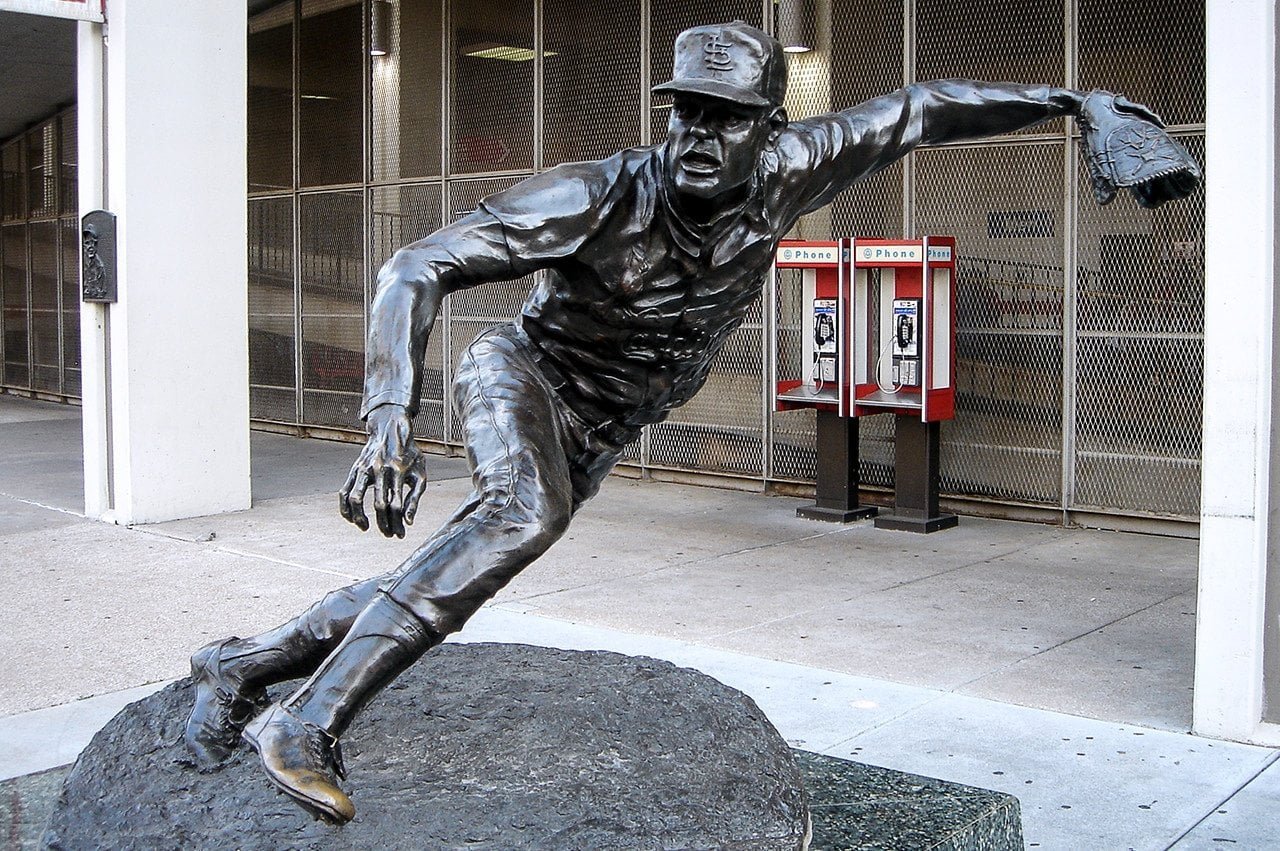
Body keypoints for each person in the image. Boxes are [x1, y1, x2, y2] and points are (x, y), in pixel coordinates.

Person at [185, 20, 1193, 824]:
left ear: (768, 122)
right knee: (518, 518)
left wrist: (1071, 100)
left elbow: (918, 109)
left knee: (457, 562)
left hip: (608, 418)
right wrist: (387, 417)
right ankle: (304, 721)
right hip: (528, 374)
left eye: (724, 118)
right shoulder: (596, 192)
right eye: (685, 116)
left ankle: (241, 663)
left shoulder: (798, 165)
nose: (699, 138)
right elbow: (416, 266)